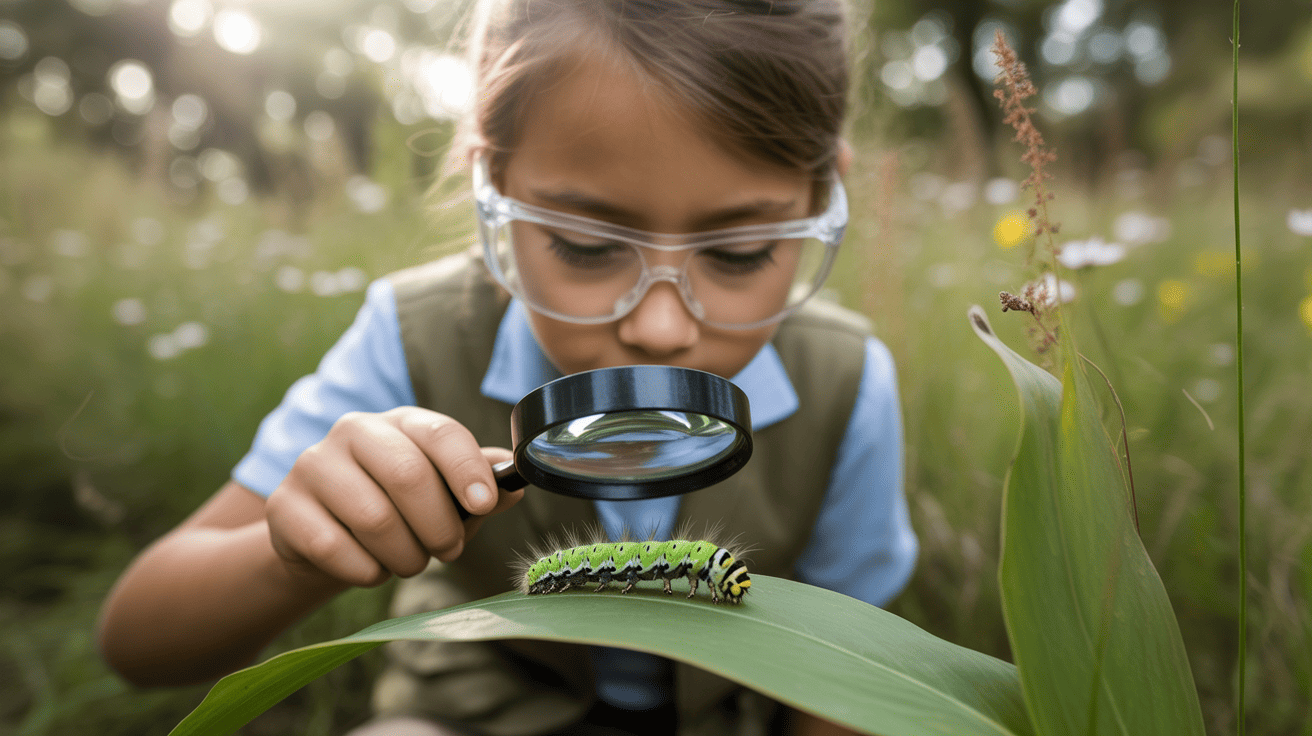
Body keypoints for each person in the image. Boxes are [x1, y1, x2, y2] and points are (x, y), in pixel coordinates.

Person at [97, 0, 918, 734]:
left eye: (740, 254)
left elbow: (845, 684)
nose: (661, 329)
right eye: (587, 246)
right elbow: (138, 642)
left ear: (821, 201)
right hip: (467, 709)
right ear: (491, 182)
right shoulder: (411, 337)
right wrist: (292, 555)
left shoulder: (849, 385)